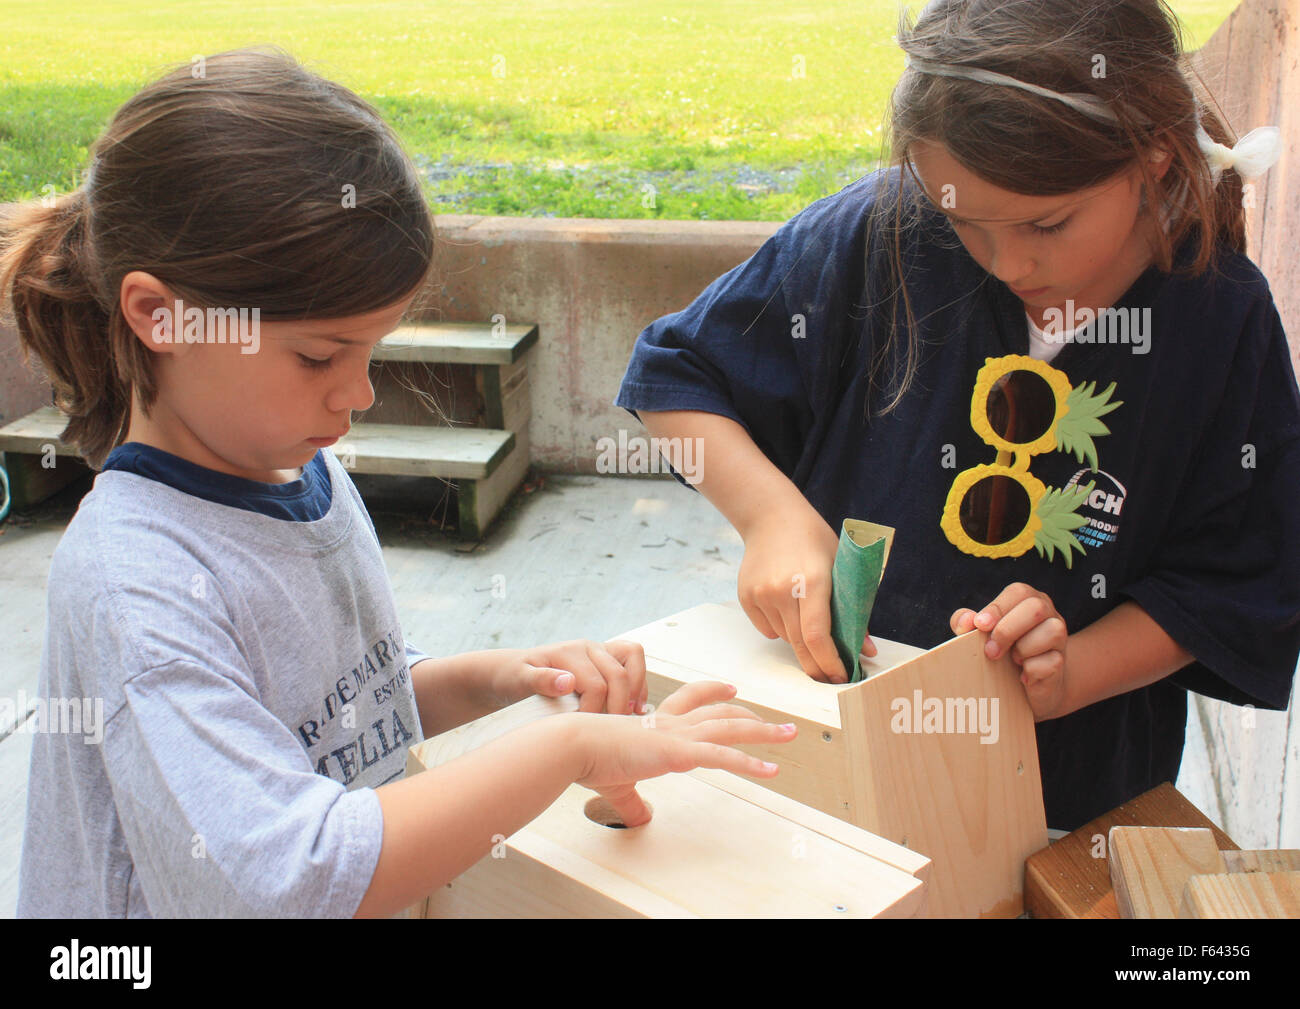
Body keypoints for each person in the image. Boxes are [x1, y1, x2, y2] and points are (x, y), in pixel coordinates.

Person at [3, 46, 796, 919]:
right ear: (162, 315)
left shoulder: (300, 471)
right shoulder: (136, 584)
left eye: (370, 349)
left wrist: (500, 677)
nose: (360, 393)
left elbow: (338, 715)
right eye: (317, 356)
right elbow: (285, 880)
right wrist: (570, 746)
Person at [614, 0, 1300, 831]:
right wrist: (770, 518)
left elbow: (1226, 582)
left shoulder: (1222, 319)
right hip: (834, 764)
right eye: (964, 222)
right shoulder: (881, 233)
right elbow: (675, 377)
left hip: (1066, 802)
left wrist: (1070, 671)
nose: (1009, 262)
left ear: (1155, 156)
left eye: (1047, 223)